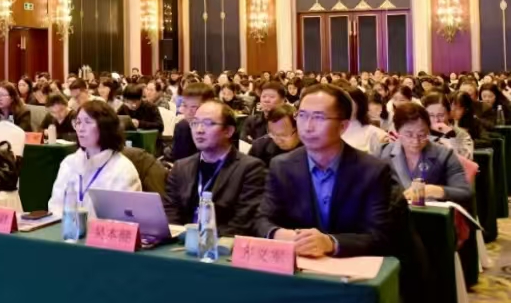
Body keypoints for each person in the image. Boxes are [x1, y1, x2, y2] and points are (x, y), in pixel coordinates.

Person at [256, 84, 395, 258]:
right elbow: (261, 220)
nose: (307, 126)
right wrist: (283, 235)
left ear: (343, 126)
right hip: (298, 264)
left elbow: (379, 237)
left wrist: (331, 243)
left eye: (319, 118)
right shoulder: (282, 166)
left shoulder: (372, 170)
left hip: (348, 267)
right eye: (302, 115)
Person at [162, 100, 265, 236]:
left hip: (223, 243)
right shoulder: (181, 167)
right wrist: (181, 235)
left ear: (228, 131)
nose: (199, 130)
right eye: (195, 123)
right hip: (182, 241)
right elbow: (170, 211)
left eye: (208, 123)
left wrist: (204, 238)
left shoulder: (250, 169)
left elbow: (243, 222)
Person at [47, 100, 141, 216]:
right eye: (78, 122)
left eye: (87, 122)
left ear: (105, 126)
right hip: (67, 226)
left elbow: (124, 218)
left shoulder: (123, 169)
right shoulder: (69, 163)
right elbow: (55, 205)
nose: (80, 128)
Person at [374, 102, 471, 207]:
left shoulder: (444, 154)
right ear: (397, 132)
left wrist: (435, 190)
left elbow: (465, 192)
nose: (416, 141)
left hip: (431, 213)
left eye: (422, 134)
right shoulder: (383, 153)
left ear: (429, 130)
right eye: (409, 135)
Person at [422, 92, 474, 163]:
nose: (436, 120)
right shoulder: (420, 134)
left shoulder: (462, 135)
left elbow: (465, 163)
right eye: (431, 115)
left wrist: (451, 137)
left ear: (449, 114)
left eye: (441, 115)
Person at [168, 83, 214, 162]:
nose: (188, 112)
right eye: (185, 106)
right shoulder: (182, 127)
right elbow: (179, 161)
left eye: (194, 107)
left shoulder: (217, 129)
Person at [341, 87, 389, 153]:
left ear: (359, 104)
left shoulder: (375, 134)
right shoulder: (332, 129)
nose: (344, 106)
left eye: (348, 102)